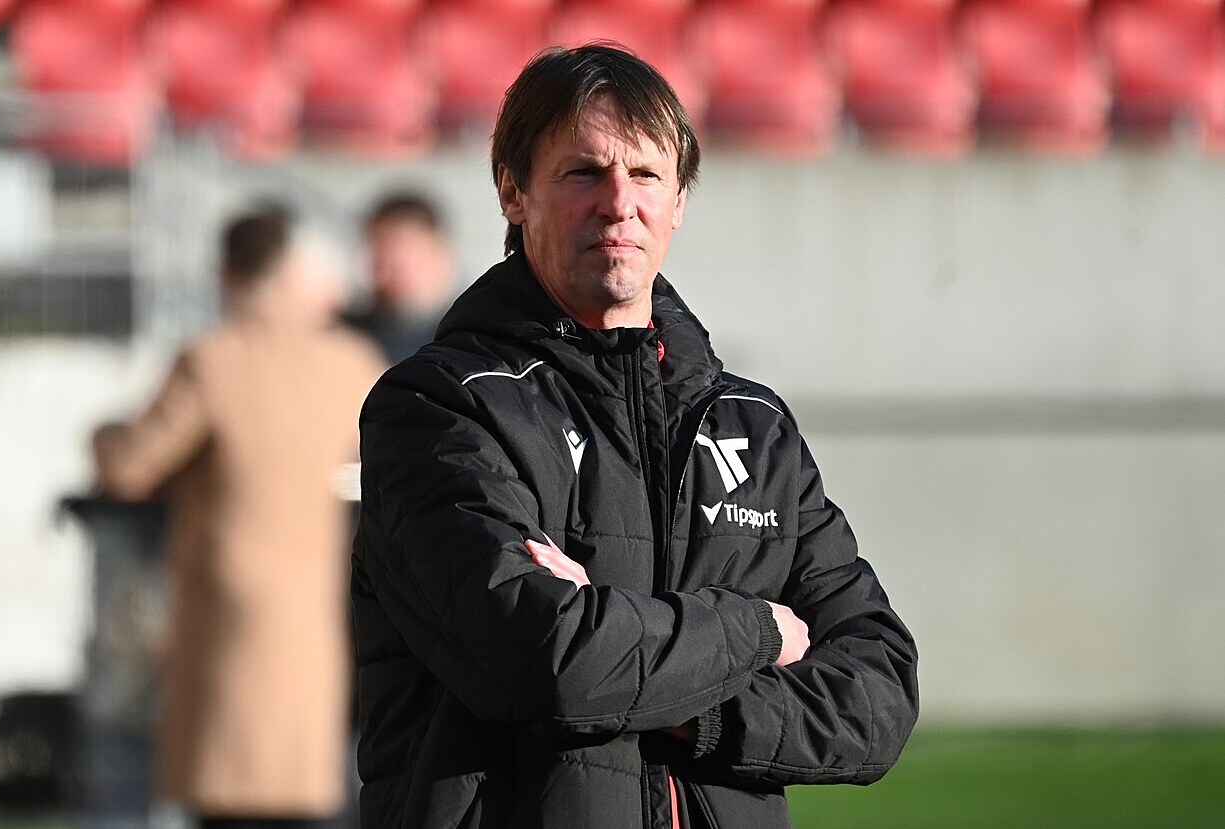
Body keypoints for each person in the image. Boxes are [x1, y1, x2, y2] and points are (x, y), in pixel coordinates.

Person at [351, 44, 918, 828]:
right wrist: (756, 628)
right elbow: (547, 663)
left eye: (646, 174)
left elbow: (878, 698)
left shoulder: (751, 425)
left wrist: (680, 698)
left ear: (678, 199)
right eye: (584, 172)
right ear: (513, 191)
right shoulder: (440, 407)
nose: (619, 203)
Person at [93, 206, 386, 827]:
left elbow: (131, 466)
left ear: (227, 274)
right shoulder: (350, 363)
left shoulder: (213, 360)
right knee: (298, 785)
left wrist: (102, 435)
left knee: (227, 789)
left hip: (226, 608)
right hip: (317, 601)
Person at [342, 192, 458, 365]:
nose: (379, 277)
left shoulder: (473, 336)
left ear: (435, 253)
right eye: (377, 262)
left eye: (395, 264)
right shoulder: (348, 334)